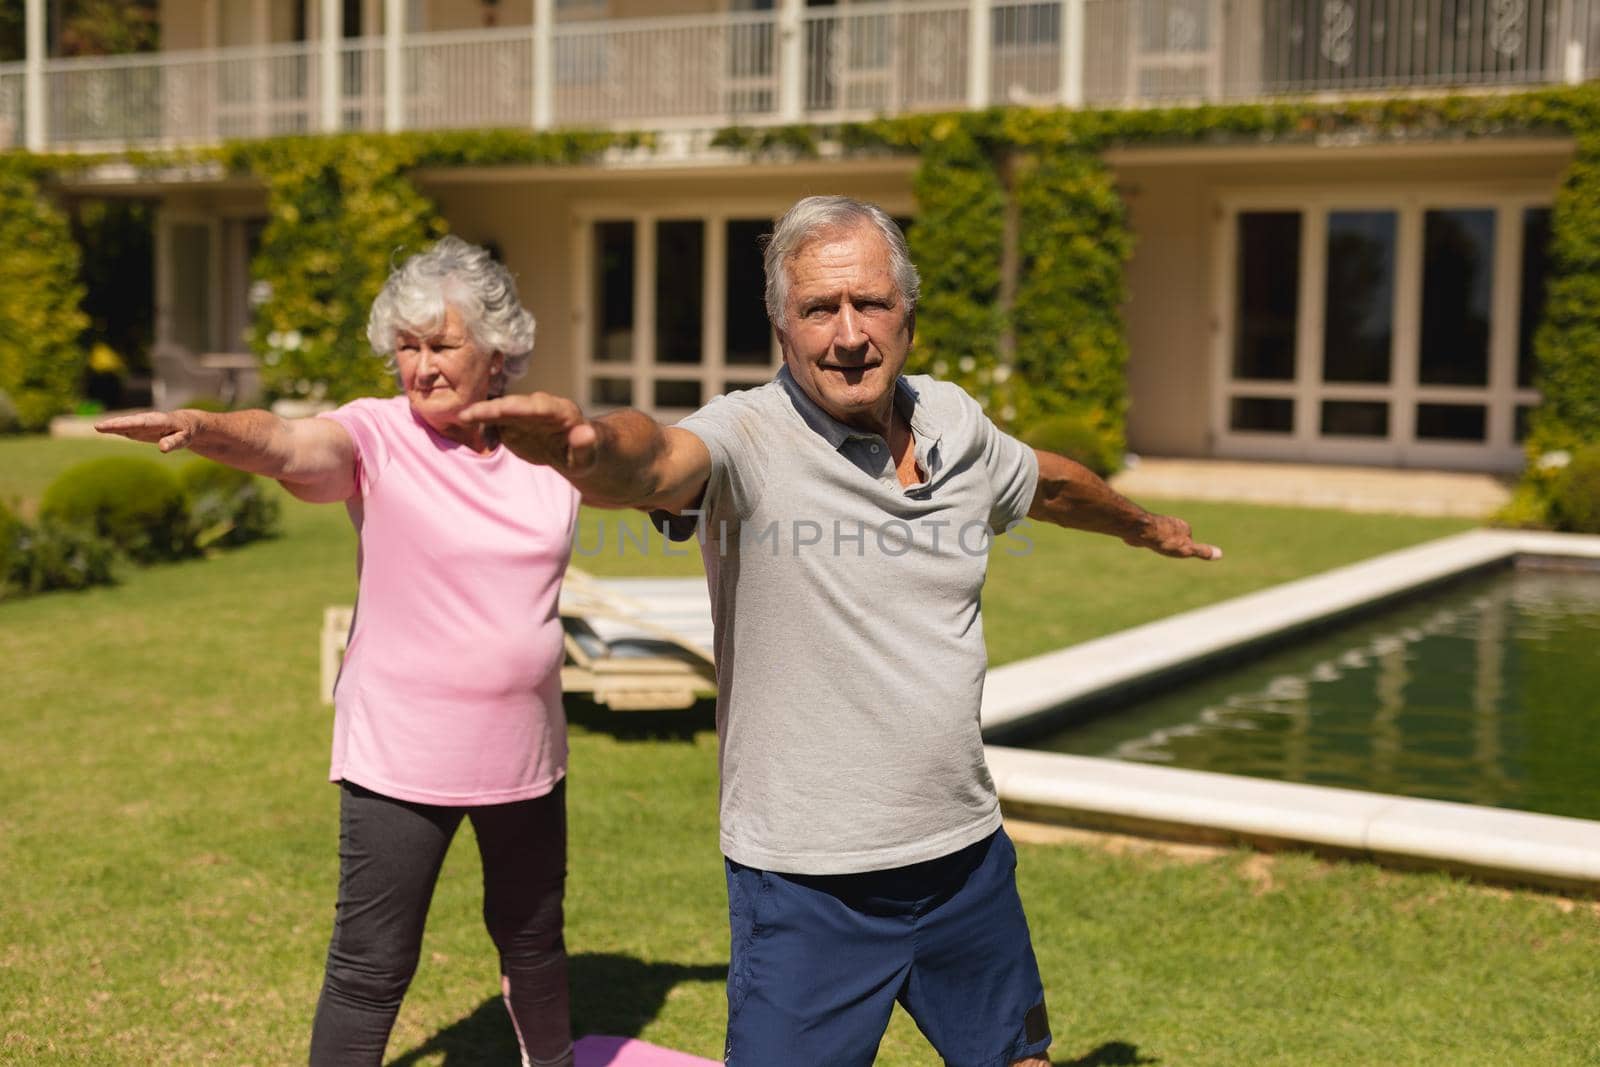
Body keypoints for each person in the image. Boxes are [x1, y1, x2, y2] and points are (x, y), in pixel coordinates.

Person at [462, 196, 1221, 1067]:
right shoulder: (747, 436)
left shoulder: (953, 422)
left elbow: (1044, 484)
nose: (849, 334)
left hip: (963, 856)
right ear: (783, 328)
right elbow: (658, 459)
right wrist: (586, 447)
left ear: (909, 312)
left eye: (872, 304)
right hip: (807, 885)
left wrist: (1139, 523)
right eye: (820, 309)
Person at [97, 236, 579, 1067]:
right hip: (400, 752)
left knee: (534, 940)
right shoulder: (376, 433)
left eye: (442, 345)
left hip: (525, 753)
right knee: (371, 963)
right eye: (407, 346)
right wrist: (206, 426)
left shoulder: (544, 451)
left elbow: (649, 476)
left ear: (499, 352)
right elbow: (287, 444)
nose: (421, 367)